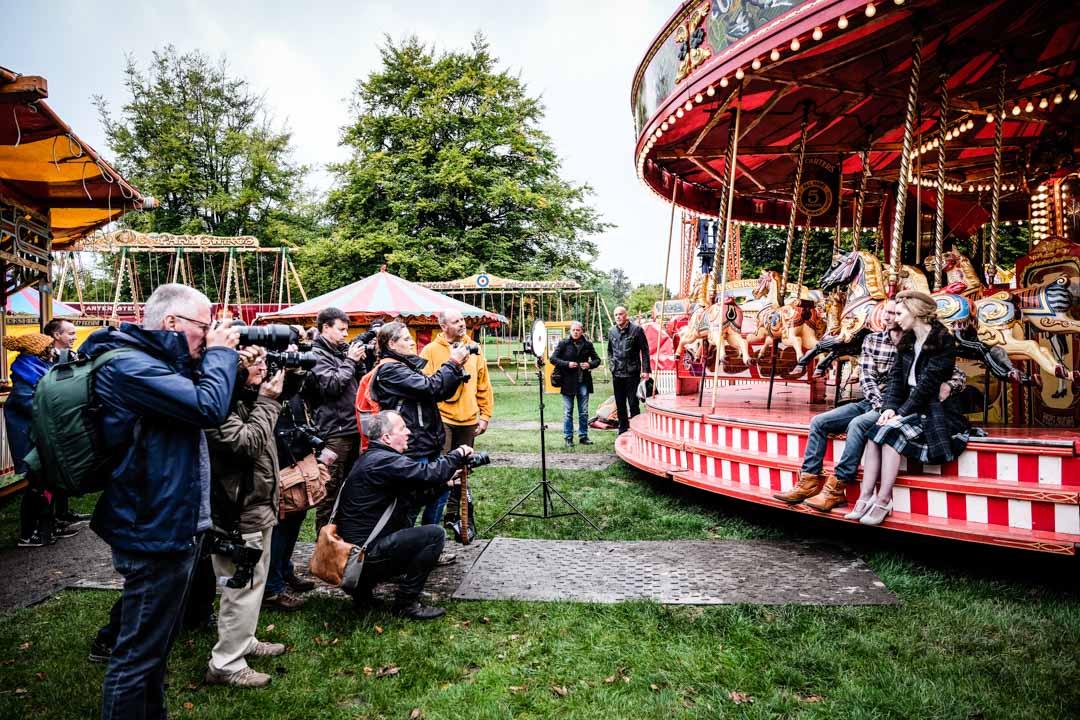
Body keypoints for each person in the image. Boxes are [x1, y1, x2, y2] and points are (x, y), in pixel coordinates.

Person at [77, 284, 238, 719]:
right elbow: (207, 407)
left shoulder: (154, 363)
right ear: (172, 323)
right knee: (135, 658)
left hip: (168, 522)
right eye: (204, 327)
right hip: (150, 528)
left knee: (154, 653)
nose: (209, 335)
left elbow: (198, 407)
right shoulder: (130, 367)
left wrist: (229, 368)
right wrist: (222, 355)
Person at [777, 300, 966, 512]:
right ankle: (808, 481)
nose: (888, 317)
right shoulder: (873, 340)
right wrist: (879, 405)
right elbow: (867, 378)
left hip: (899, 404)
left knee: (858, 425)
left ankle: (838, 485)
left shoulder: (916, 340)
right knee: (819, 421)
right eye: (885, 312)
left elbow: (953, 373)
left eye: (895, 313)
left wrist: (949, 385)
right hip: (874, 401)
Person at [335, 410, 470, 620]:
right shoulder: (385, 461)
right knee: (434, 535)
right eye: (402, 428)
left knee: (403, 525)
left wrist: (446, 483)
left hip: (351, 557)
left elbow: (411, 500)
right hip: (361, 560)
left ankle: (362, 593)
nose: (408, 432)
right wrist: (457, 454)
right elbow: (428, 472)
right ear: (387, 437)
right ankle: (406, 603)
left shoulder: (373, 458)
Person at [204, 347, 286, 689]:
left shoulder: (242, 397)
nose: (264, 368)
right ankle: (225, 663)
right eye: (256, 362)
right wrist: (267, 401)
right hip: (236, 512)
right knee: (240, 585)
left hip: (254, 505)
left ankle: (242, 639)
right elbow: (246, 444)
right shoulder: (216, 407)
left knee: (253, 583)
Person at [854, 290, 972, 526]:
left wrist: (900, 413)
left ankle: (884, 499)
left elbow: (927, 385)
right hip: (911, 405)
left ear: (915, 311)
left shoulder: (943, 340)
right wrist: (889, 407)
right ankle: (866, 496)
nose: (895, 318)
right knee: (874, 433)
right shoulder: (907, 340)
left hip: (934, 409)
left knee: (889, 435)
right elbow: (896, 379)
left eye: (899, 313)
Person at [368, 323, 467, 509]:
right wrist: (452, 363)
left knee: (439, 495)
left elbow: (439, 392)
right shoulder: (390, 370)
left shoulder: (406, 366)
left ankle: (432, 535)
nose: (412, 343)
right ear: (392, 344)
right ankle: (410, 536)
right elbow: (430, 387)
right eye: (406, 339)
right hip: (412, 444)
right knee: (412, 502)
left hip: (427, 442)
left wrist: (456, 369)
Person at [4, 333, 80, 547]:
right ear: (39, 352)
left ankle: (46, 525)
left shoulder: (34, 373)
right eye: (49, 349)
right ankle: (29, 533)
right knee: (36, 487)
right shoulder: (23, 382)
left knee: (47, 484)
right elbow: (32, 406)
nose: (53, 352)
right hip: (30, 443)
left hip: (40, 439)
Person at [418, 310, 493, 525]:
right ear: (443, 326)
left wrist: (485, 415)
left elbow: (483, 384)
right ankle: (432, 522)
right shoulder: (431, 351)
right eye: (456, 321)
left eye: (462, 320)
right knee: (442, 470)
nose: (462, 324)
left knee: (463, 469)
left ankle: (455, 516)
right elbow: (425, 384)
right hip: (442, 419)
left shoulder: (474, 349)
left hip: (468, 419)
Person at [310, 307, 367, 534]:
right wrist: (350, 361)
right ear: (325, 328)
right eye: (341, 330)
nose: (346, 334)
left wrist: (358, 362)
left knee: (350, 488)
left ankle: (343, 538)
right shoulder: (316, 354)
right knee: (329, 490)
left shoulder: (337, 352)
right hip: (334, 433)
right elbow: (331, 386)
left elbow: (359, 381)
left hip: (352, 427)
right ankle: (323, 545)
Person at [550, 321, 602, 448]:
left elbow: (597, 360)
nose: (575, 332)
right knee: (568, 412)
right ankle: (568, 437)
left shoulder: (588, 344)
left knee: (583, 412)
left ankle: (583, 436)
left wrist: (589, 364)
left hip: (583, 382)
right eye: (573, 330)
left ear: (582, 331)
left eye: (578, 330)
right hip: (568, 382)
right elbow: (553, 359)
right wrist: (567, 364)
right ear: (570, 331)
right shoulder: (564, 343)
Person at [607, 306, 651, 434]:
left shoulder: (636, 330)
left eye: (620, 314)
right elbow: (610, 351)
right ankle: (622, 429)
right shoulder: (611, 331)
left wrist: (646, 370)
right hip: (617, 373)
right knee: (620, 403)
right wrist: (612, 366)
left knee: (633, 403)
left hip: (632, 373)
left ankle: (636, 429)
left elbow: (645, 351)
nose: (618, 317)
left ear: (626, 315)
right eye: (616, 315)